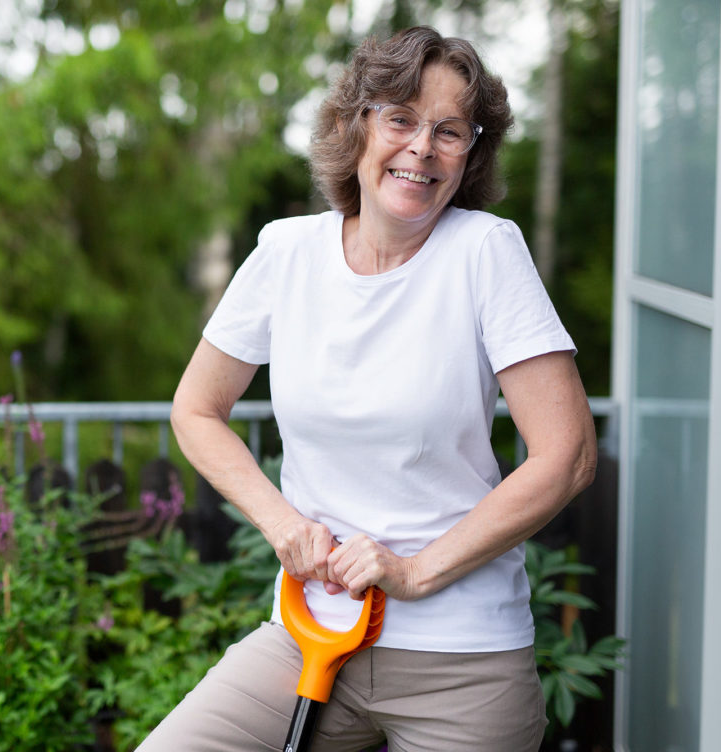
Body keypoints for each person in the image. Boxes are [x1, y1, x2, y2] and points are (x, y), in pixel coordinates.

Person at [149, 25, 597, 752]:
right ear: (354, 126)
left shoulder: (485, 252)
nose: (422, 147)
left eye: (450, 131)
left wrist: (417, 573)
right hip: (308, 641)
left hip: (461, 663)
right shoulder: (285, 253)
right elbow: (196, 410)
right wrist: (284, 524)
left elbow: (568, 455)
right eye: (401, 118)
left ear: (470, 153)